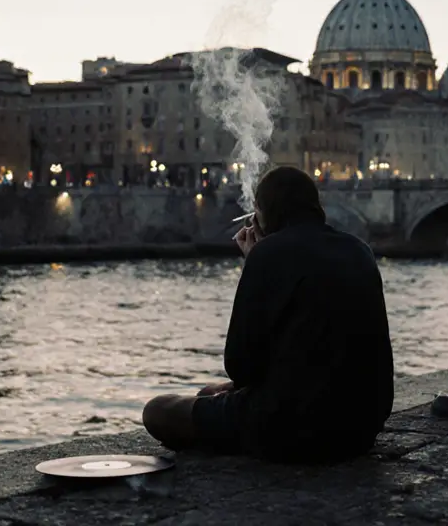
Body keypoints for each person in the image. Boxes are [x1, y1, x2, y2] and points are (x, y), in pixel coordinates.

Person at [142, 166, 394, 463]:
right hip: (362, 425)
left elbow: (240, 367)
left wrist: (254, 263)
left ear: (263, 213)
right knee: (207, 393)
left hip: (294, 426)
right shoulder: (359, 249)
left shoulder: (268, 253)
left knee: (158, 410)